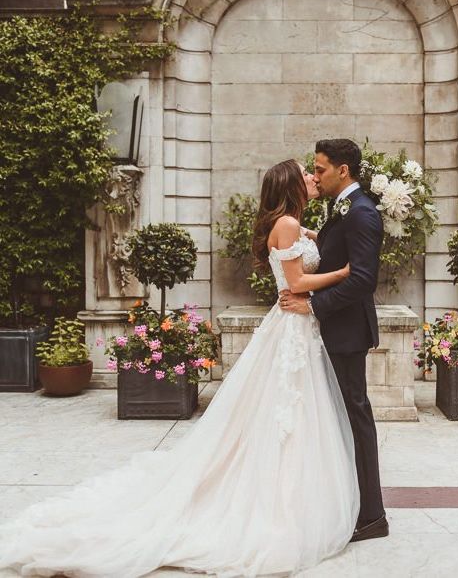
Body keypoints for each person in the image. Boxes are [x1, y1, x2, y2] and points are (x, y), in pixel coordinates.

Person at [0, 159, 359, 577]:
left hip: (296, 325)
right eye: (307, 174)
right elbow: (296, 283)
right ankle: (278, 501)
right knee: (287, 412)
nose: (315, 178)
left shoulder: (291, 223)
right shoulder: (290, 226)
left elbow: (305, 251)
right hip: (293, 323)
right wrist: (345, 272)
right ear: (292, 185)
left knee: (285, 412)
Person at [279, 138, 389, 543]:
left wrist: (314, 306)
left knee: (355, 415)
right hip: (334, 330)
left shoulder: (362, 213)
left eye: (321, 168)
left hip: (345, 332)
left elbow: (362, 278)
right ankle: (349, 502)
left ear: (343, 170)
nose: (316, 175)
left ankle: (372, 515)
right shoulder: (344, 210)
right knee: (339, 418)